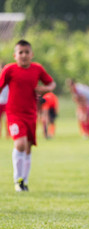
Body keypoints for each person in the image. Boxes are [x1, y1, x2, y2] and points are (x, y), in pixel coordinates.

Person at [0, 39, 56, 192]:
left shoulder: (37, 69)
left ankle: (24, 181)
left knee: (28, 148)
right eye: (20, 53)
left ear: (32, 54)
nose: (24, 55)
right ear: (15, 55)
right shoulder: (9, 70)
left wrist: (45, 89)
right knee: (20, 144)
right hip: (14, 114)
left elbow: (52, 84)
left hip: (31, 114)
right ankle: (17, 180)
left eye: (26, 52)